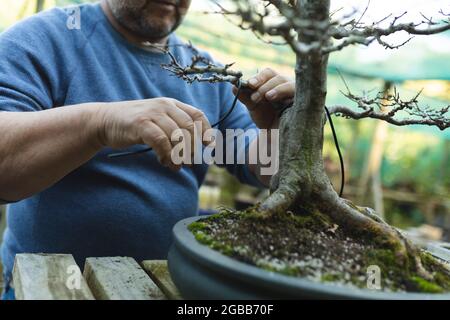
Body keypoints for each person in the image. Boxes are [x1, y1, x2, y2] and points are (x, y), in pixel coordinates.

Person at [0, 0, 295, 299]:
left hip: (164, 286)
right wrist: (100, 122)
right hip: (51, 286)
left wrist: (277, 129)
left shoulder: (206, 73)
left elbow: (262, 167)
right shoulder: (47, 37)